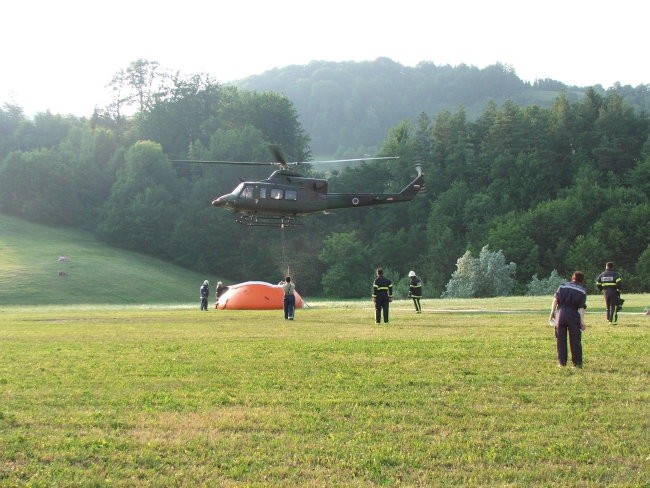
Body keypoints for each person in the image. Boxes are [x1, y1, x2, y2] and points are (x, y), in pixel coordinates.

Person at [549, 271, 587, 368]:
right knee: (575, 340)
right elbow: (582, 307)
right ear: (582, 281)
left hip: (560, 314)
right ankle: (577, 364)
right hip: (573, 315)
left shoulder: (562, 286)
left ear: (572, 278)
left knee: (560, 340)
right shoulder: (582, 291)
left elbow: (555, 300)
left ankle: (562, 363)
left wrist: (552, 313)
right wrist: (582, 321)